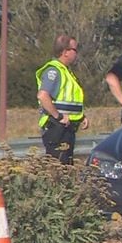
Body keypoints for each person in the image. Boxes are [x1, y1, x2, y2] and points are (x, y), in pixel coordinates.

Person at [35, 34, 89, 164]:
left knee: (67, 169)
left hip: (67, 128)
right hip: (56, 128)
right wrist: (58, 116)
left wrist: (81, 117)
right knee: (59, 169)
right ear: (65, 52)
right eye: (74, 50)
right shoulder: (54, 71)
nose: (76, 53)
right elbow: (43, 96)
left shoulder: (66, 71)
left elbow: (68, 100)